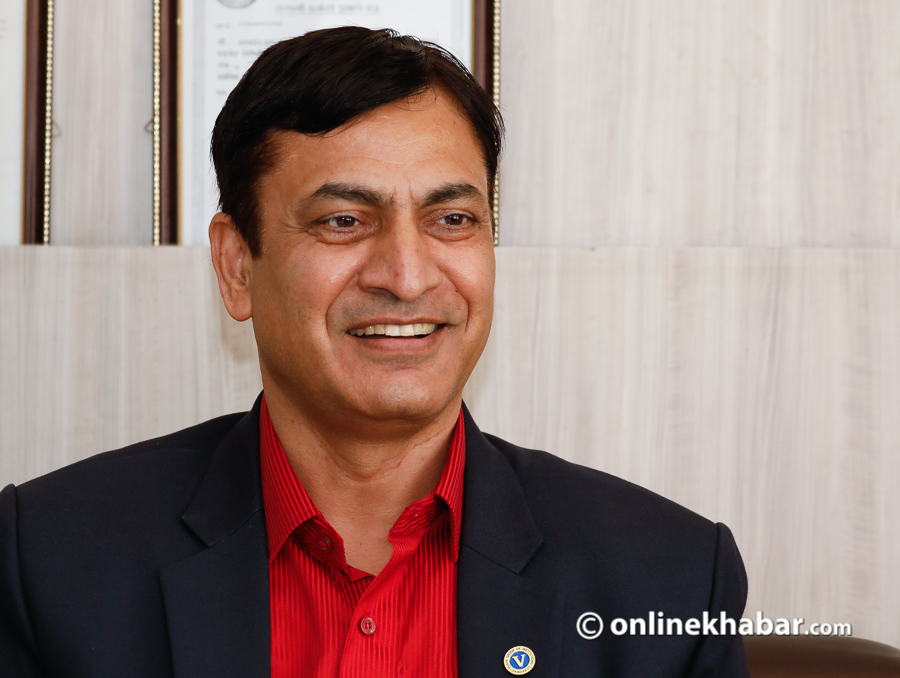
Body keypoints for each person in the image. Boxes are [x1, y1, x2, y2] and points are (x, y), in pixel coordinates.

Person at [0, 27, 749, 677]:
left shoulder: (672, 579)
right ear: (236, 267)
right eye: (344, 221)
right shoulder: (49, 561)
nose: (408, 276)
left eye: (451, 219)